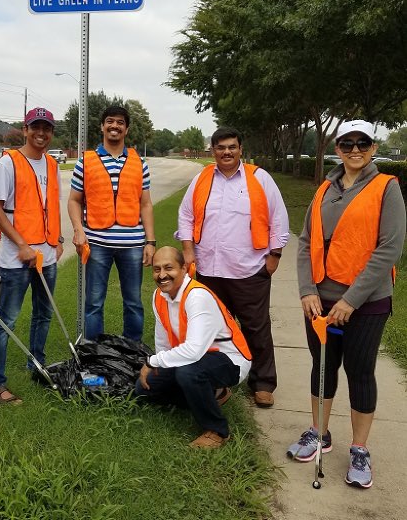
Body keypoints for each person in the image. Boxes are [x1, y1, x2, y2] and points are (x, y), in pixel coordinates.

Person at [287, 119, 406, 489]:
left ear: (373, 147)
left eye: (363, 143)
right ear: (337, 147)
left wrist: (350, 301)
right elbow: (306, 242)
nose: (355, 149)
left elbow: (389, 249)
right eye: (347, 143)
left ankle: (359, 449)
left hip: (366, 303)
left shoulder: (387, 187)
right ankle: (318, 434)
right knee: (322, 365)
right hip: (320, 301)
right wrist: (307, 290)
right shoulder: (325, 188)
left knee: (359, 371)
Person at [177, 126, 289, 407]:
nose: (226, 152)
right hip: (208, 271)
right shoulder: (202, 179)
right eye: (220, 148)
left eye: (232, 147)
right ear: (212, 151)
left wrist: (273, 257)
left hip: (248, 270)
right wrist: (188, 251)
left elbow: (278, 219)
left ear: (240, 149)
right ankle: (216, 379)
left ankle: (263, 383)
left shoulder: (259, 178)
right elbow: (186, 215)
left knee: (256, 328)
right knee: (211, 329)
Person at [135, 246, 251, 448]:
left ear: (184, 268)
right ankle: (214, 394)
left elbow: (194, 350)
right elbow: (163, 340)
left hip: (229, 360)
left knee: (188, 373)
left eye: (168, 268)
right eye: (156, 269)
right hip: (195, 359)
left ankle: (217, 431)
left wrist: (151, 361)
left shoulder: (197, 296)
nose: (162, 275)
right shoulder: (159, 296)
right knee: (146, 388)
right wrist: (159, 365)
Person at [0, 107, 63, 405]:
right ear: (25, 128)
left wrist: (57, 239)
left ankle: (36, 365)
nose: (41, 133)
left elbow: (50, 207)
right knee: (7, 320)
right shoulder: (8, 163)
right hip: (16, 259)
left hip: (48, 257)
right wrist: (21, 244)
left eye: (46, 128)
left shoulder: (54, 165)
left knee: (43, 315)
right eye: (36, 127)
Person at [67, 105, 155, 341]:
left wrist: (151, 241)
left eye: (120, 122)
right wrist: (78, 230)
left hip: (133, 245)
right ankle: (96, 356)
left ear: (126, 129)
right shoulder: (85, 162)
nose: (114, 126)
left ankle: (131, 353)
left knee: (134, 302)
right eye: (110, 121)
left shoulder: (140, 163)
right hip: (96, 244)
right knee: (94, 303)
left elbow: (145, 204)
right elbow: (74, 201)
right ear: (102, 126)